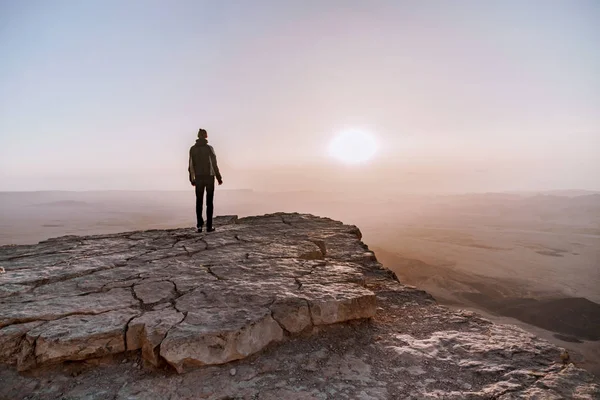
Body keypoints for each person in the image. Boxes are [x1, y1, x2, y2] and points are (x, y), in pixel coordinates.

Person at [188, 128, 222, 232]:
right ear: (206, 136)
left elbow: (191, 165)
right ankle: (209, 226)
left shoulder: (193, 149)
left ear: (198, 136)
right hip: (209, 177)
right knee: (209, 202)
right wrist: (218, 177)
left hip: (198, 177)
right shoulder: (209, 148)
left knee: (199, 202)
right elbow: (214, 164)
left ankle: (199, 226)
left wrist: (192, 179)